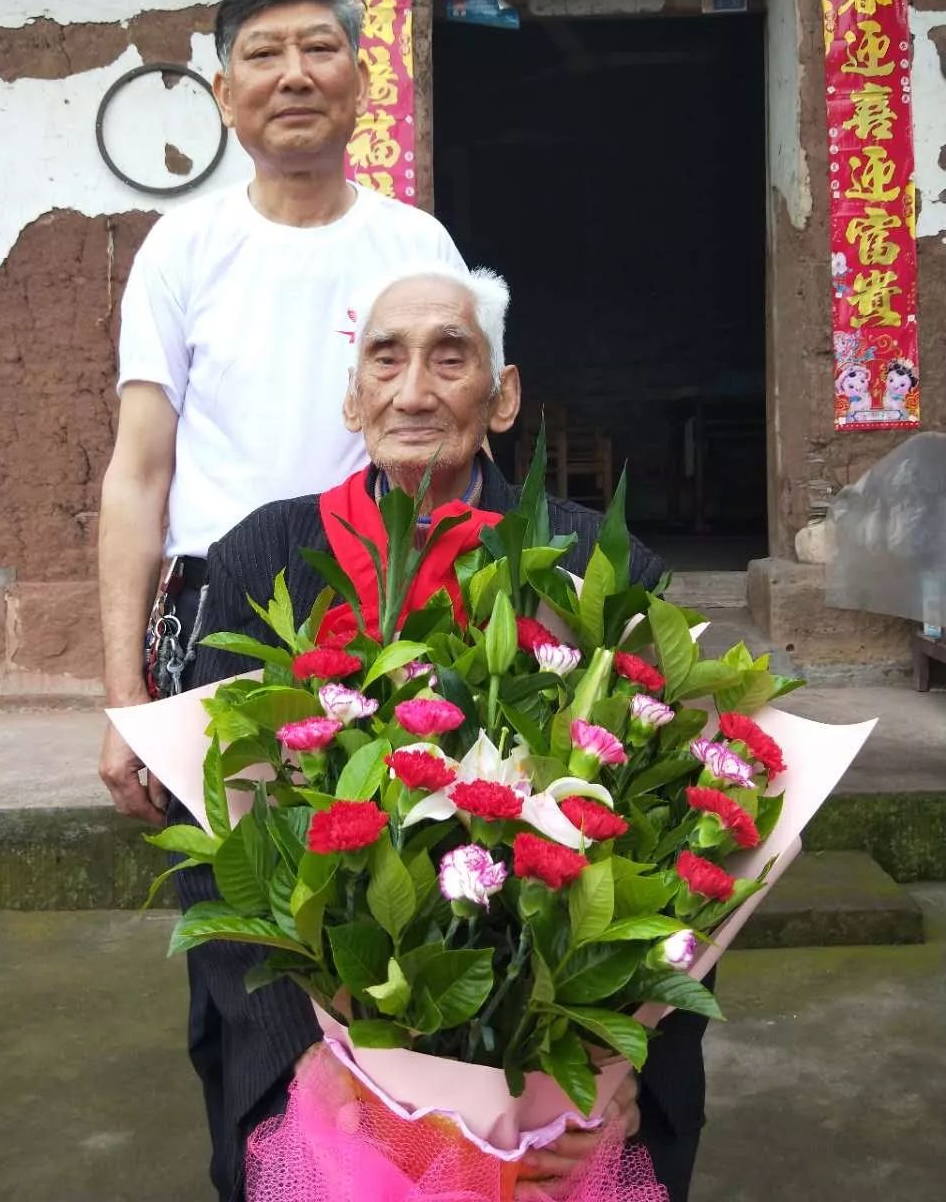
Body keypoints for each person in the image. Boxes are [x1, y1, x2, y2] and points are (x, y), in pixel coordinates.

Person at [186, 267, 708, 1202]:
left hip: (552, 1074)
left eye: (450, 357)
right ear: (354, 397)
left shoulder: (602, 567)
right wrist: (301, 1057)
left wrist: (619, 1062)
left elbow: (685, 847)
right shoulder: (262, 560)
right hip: (325, 1062)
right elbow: (217, 842)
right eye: (385, 359)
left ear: (502, 397)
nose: (414, 389)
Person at [95, 0, 464, 1193]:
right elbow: (139, 474)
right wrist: (124, 698)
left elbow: (460, 435)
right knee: (248, 946)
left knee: (414, 922)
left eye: (319, 48)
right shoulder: (182, 245)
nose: (293, 74)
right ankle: (267, 1166)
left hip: (399, 622)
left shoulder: (413, 240)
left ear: (364, 78)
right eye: (263, 55)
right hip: (230, 637)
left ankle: (421, 1165)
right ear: (222, 91)